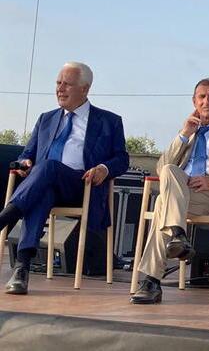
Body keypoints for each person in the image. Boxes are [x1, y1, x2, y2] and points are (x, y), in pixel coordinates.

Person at [0, 62, 129, 294]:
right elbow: (27, 154)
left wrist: (103, 168)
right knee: (42, 191)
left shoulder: (109, 121)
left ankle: (7, 216)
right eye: (58, 83)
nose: (60, 89)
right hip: (45, 185)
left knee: (48, 167)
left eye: (67, 84)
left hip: (83, 185)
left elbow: (122, 159)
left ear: (85, 89)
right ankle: (22, 267)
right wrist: (27, 162)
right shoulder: (46, 119)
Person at [131, 78, 209, 304]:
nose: (206, 101)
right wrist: (183, 134)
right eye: (201, 97)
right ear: (194, 101)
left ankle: (151, 279)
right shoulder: (188, 132)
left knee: (162, 204)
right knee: (170, 173)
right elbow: (162, 169)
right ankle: (178, 235)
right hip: (181, 191)